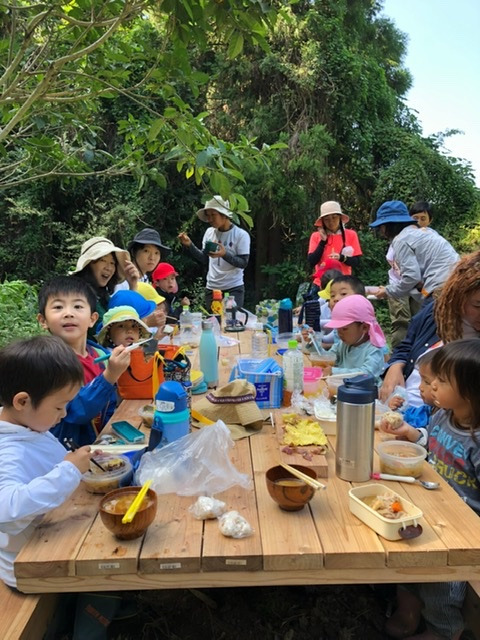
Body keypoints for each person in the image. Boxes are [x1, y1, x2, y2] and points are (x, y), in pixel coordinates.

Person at [380, 339, 480, 640]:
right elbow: (429, 438)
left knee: (442, 581)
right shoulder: (443, 415)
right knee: (406, 558)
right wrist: (411, 433)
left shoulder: (476, 439)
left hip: (462, 525)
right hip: (431, 503)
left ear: (470, 390)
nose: (432, 385)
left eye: (442, 380)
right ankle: (408, 610)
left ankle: (443, 630)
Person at [0, 335, 92, 589]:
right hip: (29, 565)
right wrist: (70, 470)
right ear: (22, 401)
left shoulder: (26, 424)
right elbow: (7, 510)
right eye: (59, 407)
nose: (64, 414)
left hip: (50, 534)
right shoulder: (9, 451)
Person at [37, 276, 130, 446]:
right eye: (58, 307)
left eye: (78, 306)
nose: (68, 313)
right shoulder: (47, 363)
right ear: (43, 321)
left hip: (101, 445)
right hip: (67, 451)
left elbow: (109, 404)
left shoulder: (100, 354)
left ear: (92, 319)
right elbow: (74, 412)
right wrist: (110, 375)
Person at [379, 250, 480, 406]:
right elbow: (407, 344)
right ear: (459, 297)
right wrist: (395, 366)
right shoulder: (437, 310)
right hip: (400, 404)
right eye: (477, 305)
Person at [370, 201, 459, 302]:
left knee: (428, 311)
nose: (381, 231)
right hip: (457, 280)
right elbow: (418, 282)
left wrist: (388, 291)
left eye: (381, 227)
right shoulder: (427, 232)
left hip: (441, 286)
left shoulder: (401, 239)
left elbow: (411, 277)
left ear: (388, 226)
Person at [178, 196, 250, 309]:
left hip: (233, 287)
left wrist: (224, 254)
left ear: (224, 214)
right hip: (212, 288)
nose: (210, 219)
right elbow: (204, 258)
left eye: (213, 215)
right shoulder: (209, 232)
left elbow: (243, 263)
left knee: (231, 319)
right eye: (208, 215)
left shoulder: (241, 235)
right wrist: (190, 245)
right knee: (213, 319)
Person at [307, 294, 386, 381]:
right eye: (337, 328)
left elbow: (367, 373)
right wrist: (312, 342)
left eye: (344, 329)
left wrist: (334, 371)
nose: (339, 333)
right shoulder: (342, 344)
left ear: (364, 327)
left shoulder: (374, 350)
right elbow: (327, 357)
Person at [72, 236, 139, 335]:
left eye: (112, 263)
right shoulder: (77, 293)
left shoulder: (103, 295)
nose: (109, 267)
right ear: (89, 264)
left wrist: (133, 285)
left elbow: (126, 319)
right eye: (103, 260)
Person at [307, 200, 362, 291]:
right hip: (321, 284)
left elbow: (356, 262)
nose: (331, 221)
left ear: (340, 218)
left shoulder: (351, 234)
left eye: (334, 217)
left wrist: (341, 258)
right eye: (327, 219)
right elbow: (312, 261)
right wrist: (322, 242)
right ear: (323, 221)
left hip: (344, 284)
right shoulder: (316, 236)